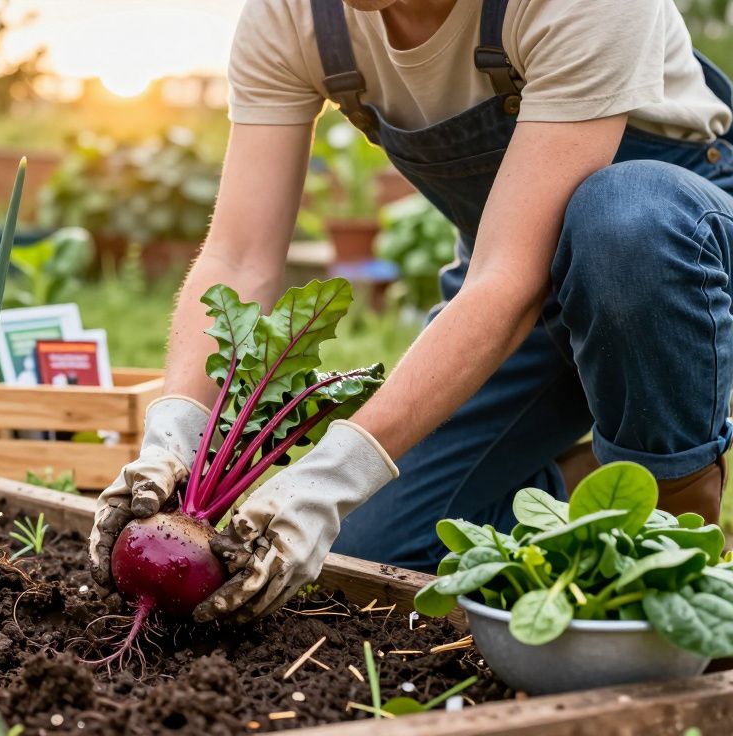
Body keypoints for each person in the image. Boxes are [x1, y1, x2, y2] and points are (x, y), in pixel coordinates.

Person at [89, 0, 733, 624]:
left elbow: (508, 279)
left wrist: (335, 471)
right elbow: (237, 257)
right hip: (508, 281)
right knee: (371, 551)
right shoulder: (293, 15)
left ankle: (678, 540)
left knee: (626, 219)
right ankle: (577, 498)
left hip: (678, 269)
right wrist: (175, 430)